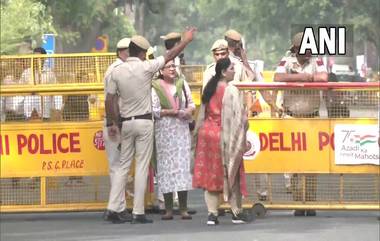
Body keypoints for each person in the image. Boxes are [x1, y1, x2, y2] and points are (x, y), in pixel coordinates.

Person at [105, 27, 196, 224]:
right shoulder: (146, 67)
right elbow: (170, 54)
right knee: (142, 166)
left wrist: (113, 122)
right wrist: (186, 40)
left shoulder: (116, 71)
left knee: (123, 166)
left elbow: (110, 100)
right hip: (145, 122)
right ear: (142, 52)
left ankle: (113, 207)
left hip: (125, 123)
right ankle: (138, 212)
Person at [273, 32, 328, 217]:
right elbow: (277, 78)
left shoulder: (317, 60)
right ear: (295, 48)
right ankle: (298, 201)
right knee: (294, 162)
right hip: (291, 118)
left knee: (312, 163)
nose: (308, 51)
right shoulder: (286, 60)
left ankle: (310, 201)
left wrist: (299, 78)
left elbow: (323, 78)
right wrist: (305, 78)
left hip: (312, 119)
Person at [192, 58, 250, 225]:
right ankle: (236, 212)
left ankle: (212, 214)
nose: (234, 71)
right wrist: (242, 135)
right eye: (232, 68)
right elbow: (240, 119)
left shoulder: (210, 87)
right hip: (223, 135)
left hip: (207, 135)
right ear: (224, 72)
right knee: (231, 171)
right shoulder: (231, 90)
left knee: (211, 174)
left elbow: (201, 114)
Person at [151, 60, 195, 220]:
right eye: (168, 67)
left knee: (182, 167)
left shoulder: (182, 83)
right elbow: (154, 110)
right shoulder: (155, 86)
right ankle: (168, 208)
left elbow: (191, 104)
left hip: (181, 129)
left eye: (173, 66)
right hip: (164, 130)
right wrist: (171, 111)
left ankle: (183, 208)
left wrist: (187, 111)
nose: (171, 69)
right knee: (166, 168)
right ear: (161, 71)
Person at [101, 37, 131, 223]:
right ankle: (116, 208)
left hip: (117, 122)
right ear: (123, 52)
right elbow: (110, 100)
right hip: (115, 123)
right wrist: (113, 123)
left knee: (119, 167)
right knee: (118, 167)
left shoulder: (116, 69)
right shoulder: (117, 70)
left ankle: (117, 206)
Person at [21, 47, 62, 120]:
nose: (36, 59)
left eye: (39, 57)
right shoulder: (26, 72)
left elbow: (57, 92)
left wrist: (57, 108)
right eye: (34, 57)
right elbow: (20, 89)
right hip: (29, 109)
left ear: (44, 58)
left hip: (45, 109)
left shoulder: (50, 73)